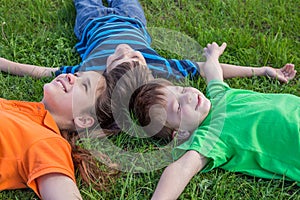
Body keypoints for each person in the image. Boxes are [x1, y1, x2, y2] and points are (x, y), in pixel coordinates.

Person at [126, 42, 299, 199]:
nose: (188, 96)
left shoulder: (218, 95)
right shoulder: (210, 137)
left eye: (182, 89)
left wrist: (213, 56)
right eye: (178, 107)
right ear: (180, 133)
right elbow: (181, 169)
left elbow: (213, 71)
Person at [0, 0, 294, 84]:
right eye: (136, 57)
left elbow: (44, 71)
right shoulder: (160, 68)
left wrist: (4, 64)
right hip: (132, 20)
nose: (129, 51)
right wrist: (262, 70)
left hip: (92, 22)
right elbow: (208, 68)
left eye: (120, 57)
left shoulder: (91, 72)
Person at [0, 70, 118, 200]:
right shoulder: (24, 112)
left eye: (84, 86)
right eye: (77, 75)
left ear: (83, 119)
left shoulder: (49, 143)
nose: (70, 76)